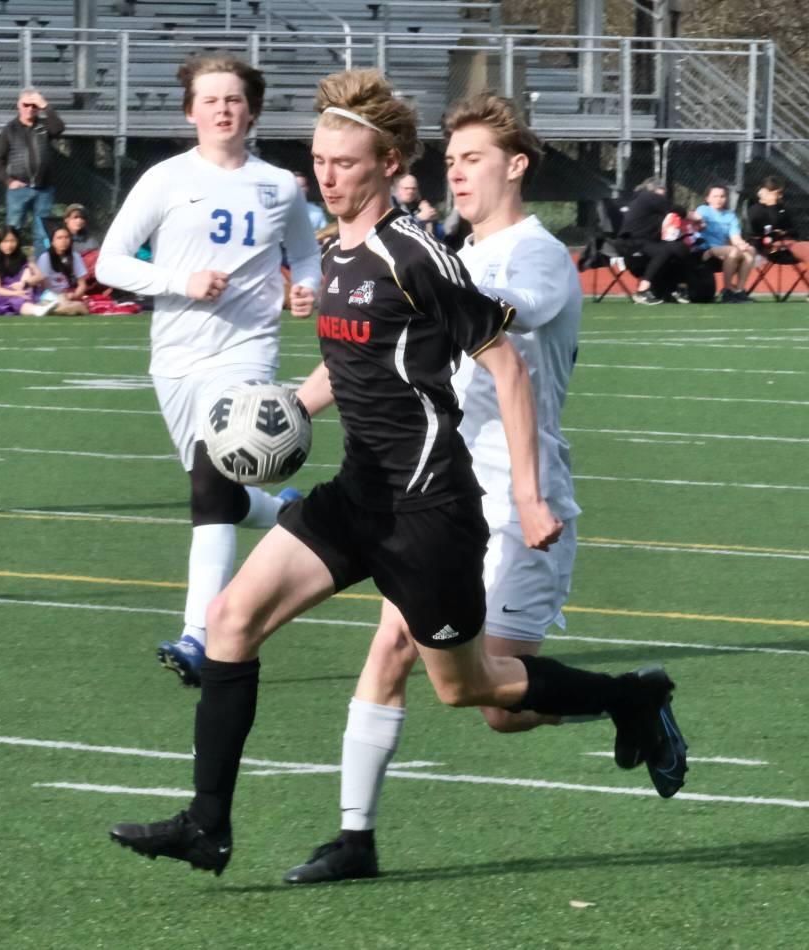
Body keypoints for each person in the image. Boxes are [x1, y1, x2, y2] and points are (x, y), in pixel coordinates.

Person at [107, 68, 688, 879]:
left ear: (385, 165)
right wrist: (278, 416)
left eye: (343, 162)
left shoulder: (429, 256)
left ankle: (631, 698)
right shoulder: (350, 255)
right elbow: (355, 364)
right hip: (360, 496)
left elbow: (504, 362)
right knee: (232, 620)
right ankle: (224, 827)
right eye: (317, 160)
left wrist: (524, 490)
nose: (325, 175)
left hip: (434, 509)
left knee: (471, 693)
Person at [282, 92, 598, 884]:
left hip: (517, 491)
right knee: (390, 645)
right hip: (434, 488)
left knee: (494, 707)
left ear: (516, 166)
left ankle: (627, 699)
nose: (456, 173)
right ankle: (355, 839)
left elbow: (506, 320)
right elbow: (389, 347)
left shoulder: (538, 256)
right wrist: (288, 407)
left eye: (474, 159)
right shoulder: (440, 250)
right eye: (450, 159)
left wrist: (424, 285)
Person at [95, 51, 320, 688]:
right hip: (176, 356)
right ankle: (281, 514)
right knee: (218, 490)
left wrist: (308, 290)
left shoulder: (279, 185)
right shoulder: (165, 179)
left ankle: (201, 634)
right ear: (191, 110)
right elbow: (110, 262)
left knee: (206, 486)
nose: (223, 109)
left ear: (253, 110)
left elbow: (305, 259)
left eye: (234, 99)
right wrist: (180, 281)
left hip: (248, 352)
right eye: (211, 99)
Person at [0, 87, 65, 253]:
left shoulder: (43, 126)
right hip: (19, 189)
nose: (30, 109)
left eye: (34, 106)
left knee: (43, 233)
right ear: (19, 105)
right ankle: (12, 270)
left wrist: (45, 105)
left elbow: (59, 128)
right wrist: (8, 181)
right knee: (13, 231)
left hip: (44, 188)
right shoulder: (10, 129)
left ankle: (42, 268)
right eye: (26, 104)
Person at [617, 178, 699, 305]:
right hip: (631, 242)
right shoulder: (648, 196)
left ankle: (675, 289)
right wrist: (696, 217)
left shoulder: (643, 200)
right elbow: (675, 209)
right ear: (655, 190)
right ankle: (642, 291)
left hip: (643, 241)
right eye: (663, 191)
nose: (664, 196)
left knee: (679, 248)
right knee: (663, 251)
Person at [694, 185, 755, 302]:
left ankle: (739, 291)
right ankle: (727, 290)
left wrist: (742, 244)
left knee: (750, 250)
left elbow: (735, 238)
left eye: (722, 196)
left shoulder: (730, 216)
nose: (719, 199)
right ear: (708, 199)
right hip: (704, 250)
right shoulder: (703, 210)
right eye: (715, 196)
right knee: (733, 251)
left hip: (722, 251)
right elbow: (695, 225)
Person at [0, 226, 55, 316]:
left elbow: (39, 276)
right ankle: (37, 310)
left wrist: (25, 283)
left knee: (27, 270)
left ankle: (46, 306)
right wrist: (16, 293)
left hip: (18, 290)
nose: (9, 245)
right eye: (5, 241)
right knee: (18, 300)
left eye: (12, 241)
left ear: (17, 241)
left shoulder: (21, 257)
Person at [746, 176, 809, 265]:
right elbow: (760, 233)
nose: (781, 196)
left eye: (781, 193)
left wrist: (783, 233)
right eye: (778, 193)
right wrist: (772, 207)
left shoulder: (780, 208)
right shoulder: (755, 210)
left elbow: (793, 230)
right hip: (770, 250)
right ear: (765, 192)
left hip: (787, 245)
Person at [37, 225, 89, 314]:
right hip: (50, 295)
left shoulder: (75, 256)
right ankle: (61, 308)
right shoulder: (45, 258)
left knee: (81, 306)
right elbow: (43, 287)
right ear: (52, 242)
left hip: (69, 295)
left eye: (66, 237)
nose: (63, 241)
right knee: (75, 306)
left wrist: (74, 295)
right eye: (59, 238)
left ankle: (61, 309)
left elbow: (82, 284)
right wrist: (59, 297)